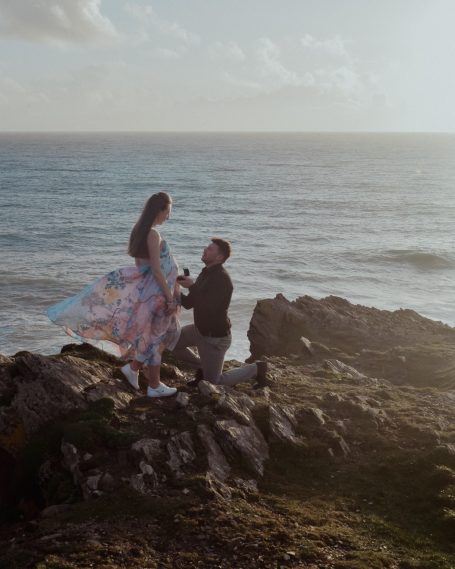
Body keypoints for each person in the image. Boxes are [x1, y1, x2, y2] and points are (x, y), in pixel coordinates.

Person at [48, 192, 180, 398]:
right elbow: (155, 270)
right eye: (168, 212)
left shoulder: (139, 231)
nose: (169, 217)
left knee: (154, 338)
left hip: (150, 295)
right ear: (159, 210)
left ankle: (133, 369)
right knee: (155, 340)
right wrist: (170, 297)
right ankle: (153, 386)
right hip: (157, 296)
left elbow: (141, 267)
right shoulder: (153, 234)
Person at [172, 238, 268, 388]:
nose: (205, 250)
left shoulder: (222, 279)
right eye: (207, 247)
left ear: (219, 257)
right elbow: (190, 303)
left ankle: (257, 369)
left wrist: (192, 286)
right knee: (172, 342)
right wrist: (173, 288)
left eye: (210, 249)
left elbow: (209, 307)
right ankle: (204, 367)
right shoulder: (206, 273)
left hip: (215, 338)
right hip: (199, 330)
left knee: (214, 382)